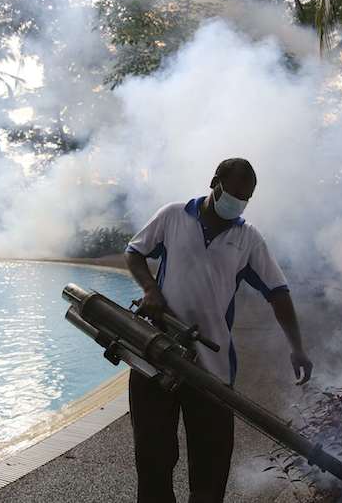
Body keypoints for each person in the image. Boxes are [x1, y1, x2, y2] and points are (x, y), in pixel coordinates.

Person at [124, 158, 313, 503]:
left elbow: (278, 292)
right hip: (156, 356)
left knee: (210, 471)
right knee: (153, 463)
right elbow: (134, 253)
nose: (238, 204)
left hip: (211, 370)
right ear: (215, 183)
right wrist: (151, 290)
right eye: (234, 194)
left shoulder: (248, 239)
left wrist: (296, 347)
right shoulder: (173, 216)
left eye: (246, 198)